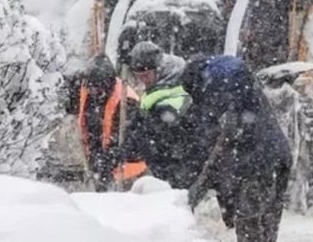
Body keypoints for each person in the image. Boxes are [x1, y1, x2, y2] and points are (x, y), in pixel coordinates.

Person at [181, 55, 291, 242]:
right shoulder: (240, 86)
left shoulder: (216, 94)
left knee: (249, 226)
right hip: (280, 155)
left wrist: (198, 189)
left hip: (257, 164)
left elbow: (223, 144)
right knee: (268, 225)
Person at [124, 41, 200, 189]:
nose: (142, 81)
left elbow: (164, 137)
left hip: (178, 169)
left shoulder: (175, 95)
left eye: (146, 75)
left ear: (159, 70)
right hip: (169, 168)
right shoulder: (157, 91)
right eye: (138, 76)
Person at [75, 54, 146, 192]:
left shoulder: (127, 102)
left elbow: (135, 141)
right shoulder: (88, 93)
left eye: (97, 88)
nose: (93, 92)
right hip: (100, 166)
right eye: (91, 88)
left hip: (128, 172)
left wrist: (110, 158)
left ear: (107, 84)